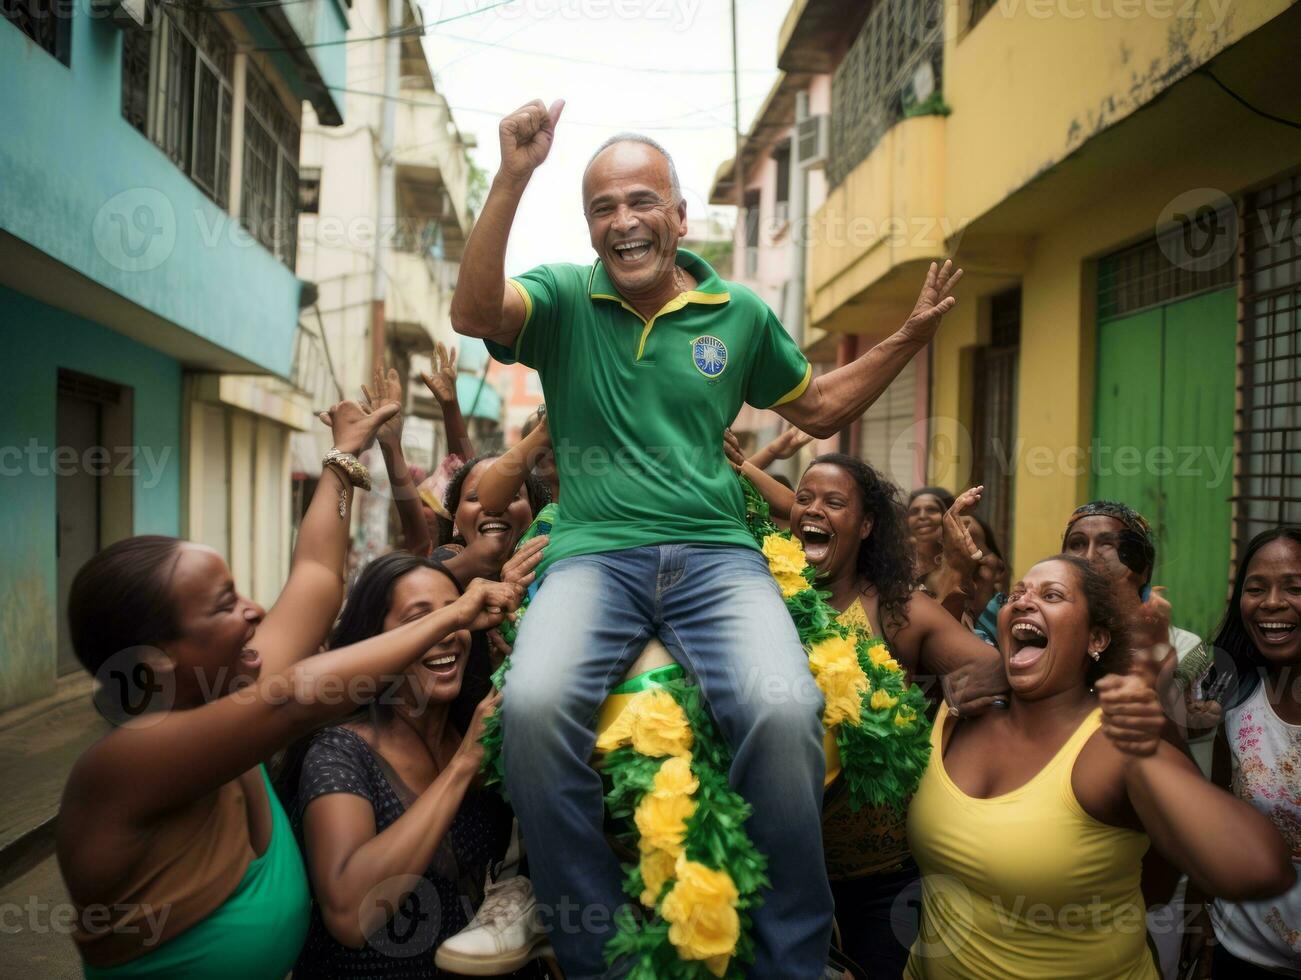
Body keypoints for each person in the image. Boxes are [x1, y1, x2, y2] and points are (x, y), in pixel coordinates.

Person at [449, 95, 964, 978]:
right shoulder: (564, 298)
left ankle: (791, 957)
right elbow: (470, 313)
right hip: (593, 554)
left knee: (784, 708)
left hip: (718, 559)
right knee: (532, 712)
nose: (623, 221)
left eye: (641, 200)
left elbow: (822, 403)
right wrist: (511, 176)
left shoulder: (738, 313)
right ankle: (593, 942)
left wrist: (909, 336)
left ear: (679, 215)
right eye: (602, 208)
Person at [55, 397, 525, 979]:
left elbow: (317, 578)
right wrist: (454, 614)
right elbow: (293, 700)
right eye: (226, 605)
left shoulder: (228, 694)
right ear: (154, 666)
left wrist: (345, 453)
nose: (256, 610)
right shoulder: (122, 767)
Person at [903, 554, 1295, 979]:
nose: (1023, 601)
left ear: (1097, 639)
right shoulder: (960, 710)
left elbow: (1257, 868)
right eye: (1017, 594)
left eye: (1051, 595)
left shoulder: (1114, 745)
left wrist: (1145, 742)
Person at [729, 449, 1006, 976]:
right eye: (805, 500)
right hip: (765, 872)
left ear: (867, 525)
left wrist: (957, 692)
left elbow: (998, 673)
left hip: (877, 881)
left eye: (836, 503)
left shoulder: (897, 609)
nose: (814, 510)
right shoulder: (756, 599)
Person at [280, 544, 547, 978]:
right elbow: (351, 916)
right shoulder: (339, 752)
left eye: (456, 614)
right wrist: (464, 764)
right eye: (420, 619)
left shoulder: (485, 730)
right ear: (377, 642)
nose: (448, 632)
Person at [1181, 527, 1301, 979]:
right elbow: (1215, 817)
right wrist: (1200, 913)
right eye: (1256, 588)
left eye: (1295, 587)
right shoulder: (1235, 696)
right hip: (1244, 954)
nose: (1271, 602)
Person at [909, 487, 956, 595]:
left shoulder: (958, 563)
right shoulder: (898, 563)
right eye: (914, 511)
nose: (922, 516)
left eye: (931, 510)